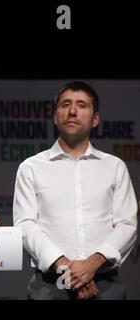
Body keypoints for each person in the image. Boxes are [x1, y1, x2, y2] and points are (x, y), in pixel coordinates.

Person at [13, 81, 138, 300]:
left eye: (81, 105)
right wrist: (66, 269)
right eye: (66, 104)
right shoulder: (31, 167)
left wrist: (91, 265)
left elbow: (127, 224)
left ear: (95, 119)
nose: (72, 111)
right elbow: (25, 225)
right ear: (55, 116)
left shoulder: (114, 166)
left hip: (105, 285)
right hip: (49, 286)